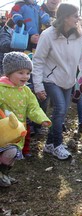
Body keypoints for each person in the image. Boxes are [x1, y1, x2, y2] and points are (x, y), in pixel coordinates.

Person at [32, 3, 82, 160]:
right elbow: (38, 61)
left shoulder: (80, 35)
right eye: (75, 15)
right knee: (59, 108)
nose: (78, 18)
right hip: (51, 78)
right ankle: (58, 145)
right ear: (65, 17)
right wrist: (38, 85)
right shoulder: (48, 35)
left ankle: (49, 144)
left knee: (63, 111)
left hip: (69, 80)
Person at [0, 52, 51, 187]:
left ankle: (4, 174)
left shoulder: (26, 91)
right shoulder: (1, 89)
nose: (25, 76)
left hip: (19, 131)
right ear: (9, 73)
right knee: (9, 152)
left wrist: (41, 119)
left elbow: (33, 107)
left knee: (14, 155)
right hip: (3, 131)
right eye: (21, 72)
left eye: (28, 73)